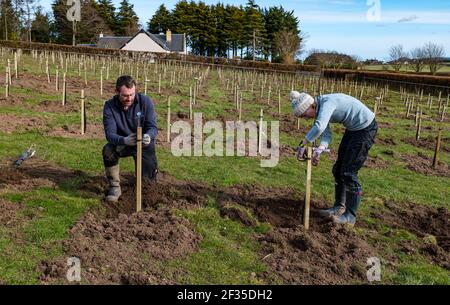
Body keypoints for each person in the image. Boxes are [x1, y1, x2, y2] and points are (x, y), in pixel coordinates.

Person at [291, 91, 378, 226]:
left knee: (349, 173)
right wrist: (320, 150)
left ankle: (350, 216)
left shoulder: (327, 103)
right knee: (338, 170)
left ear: (310, 107)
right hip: (354, 130)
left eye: (303, 115)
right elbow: (326, 135)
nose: (304, 118)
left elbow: (319, 127)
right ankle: (338, 207)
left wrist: (304, 142)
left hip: (365, 129)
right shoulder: (320, 108)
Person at [103, 75, 158, 202]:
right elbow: (109, 134)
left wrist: (148, 136)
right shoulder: (110, 107)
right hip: (124, 142)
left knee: (148, 182)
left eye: (132, 94)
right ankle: (114, 187)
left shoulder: (145, 102)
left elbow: (153, 127)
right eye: (125, 95)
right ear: (117, 92)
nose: (129, 98)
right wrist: (124, 140)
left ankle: (147, 194)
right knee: (108, 150)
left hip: (144, 144)